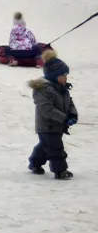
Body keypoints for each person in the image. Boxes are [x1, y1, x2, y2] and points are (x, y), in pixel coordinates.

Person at [27, 50, 77, 180]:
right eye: (63, 75)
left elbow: (69, 103)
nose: (66, 78)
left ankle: (34, 163)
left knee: (45, 147)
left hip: (58, 124)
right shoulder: (42, 90)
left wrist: (72, 115)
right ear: (54, 76)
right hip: (47, 126)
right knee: (55, 148)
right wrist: (63, 118)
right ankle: (60, 171)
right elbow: (46, 109)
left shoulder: (62, 88)